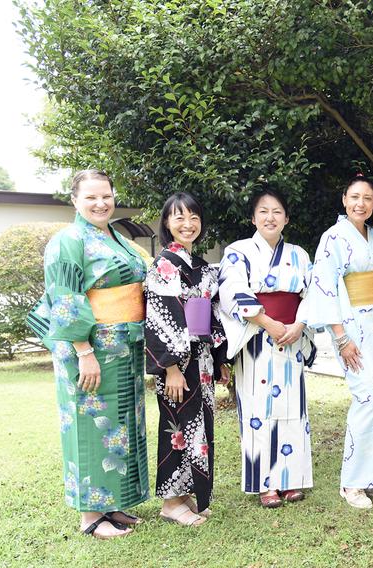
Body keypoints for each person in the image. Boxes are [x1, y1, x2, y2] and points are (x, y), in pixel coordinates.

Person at [27, 170, 149, 539]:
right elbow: (65, 299)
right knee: (91, 425)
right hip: (89, 349)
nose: (101, 203)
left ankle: (114, 504)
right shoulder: (68, 240)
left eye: (107, 196)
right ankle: (90, 515)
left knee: (121, 425)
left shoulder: (115, 237)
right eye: (91, 197)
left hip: (124, 349)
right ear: (75, 200)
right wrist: (83, 351)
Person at [218, 188, 316, 508]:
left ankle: (290, 480)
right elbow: (231, 291)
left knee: (291, 409)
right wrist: (267, 322)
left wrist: (298, 326)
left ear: (286, 218)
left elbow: (313, 295)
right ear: (253, 218)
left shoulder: (300, 255)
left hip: (292, 336)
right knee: (258, 409)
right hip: (256, 336)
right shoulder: (238, 251)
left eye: (277, 211)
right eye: (263, 211)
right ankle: (265, 483)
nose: (270, 217)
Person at [303, 176, 373, 509]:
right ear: (344, 200)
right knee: (366, 397)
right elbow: (326, 288)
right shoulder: (333, 238)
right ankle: (352, 483)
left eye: (367, 198)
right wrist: (340, 338)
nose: (361, 203)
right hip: (351, 329)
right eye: (354, 197)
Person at [145, 192, 229, 526]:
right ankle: (171, 502)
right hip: (177, 363)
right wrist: (170, 366)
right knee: (177, 426)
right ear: (166, 223)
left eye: (193, 217)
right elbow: (160, 317)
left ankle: (187, 494)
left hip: (202, 360)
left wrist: (219, 357)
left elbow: (212, 313)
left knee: (199, 428)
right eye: (178, 217)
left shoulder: (200, 265)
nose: (187, 224)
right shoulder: (164, 265)